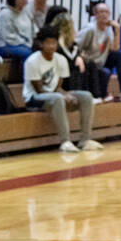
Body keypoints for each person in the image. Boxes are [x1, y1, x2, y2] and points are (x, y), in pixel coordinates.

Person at [23, 25, 100, 153]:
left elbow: (58, 87)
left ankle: (85, 140)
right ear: (41, 44)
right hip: (33, 98)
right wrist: (63, 96)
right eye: (48, 43)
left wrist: (67, 94)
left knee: (86, 96)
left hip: (53, 96)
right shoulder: (32, 61)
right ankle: (65, 141)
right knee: (58, 98)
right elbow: (39, 90)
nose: (52, 46)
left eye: (54, 43)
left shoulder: (61, 59)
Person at [78, 1, 121, 100]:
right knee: (104, 71)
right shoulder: (90, 29)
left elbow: (115, 48)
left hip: (101, 60)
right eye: (101, 12)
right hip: (89, 62)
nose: (104, 14)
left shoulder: (108, 29)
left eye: (106, 12)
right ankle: (100, 94)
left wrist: (117, 30)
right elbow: (76, 46)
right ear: (95, 15)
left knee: (120, 55)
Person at [42, 5, 98, 94]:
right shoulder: (47, 34)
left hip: (67, 62)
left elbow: (74, 48)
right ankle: (76, 95)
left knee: (90, 64)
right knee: (74, 68)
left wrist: (79, 57)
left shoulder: (69, 36)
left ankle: (94, 95)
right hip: (54, 64)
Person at [0, 0, 35, 67]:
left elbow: (32, 29)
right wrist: (24, 43)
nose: (25, 0)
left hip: (23, 44)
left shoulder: (26, 12)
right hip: (3, 46)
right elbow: (8, 37)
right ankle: (27, 79)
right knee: (27, 53)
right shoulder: (5, 14)